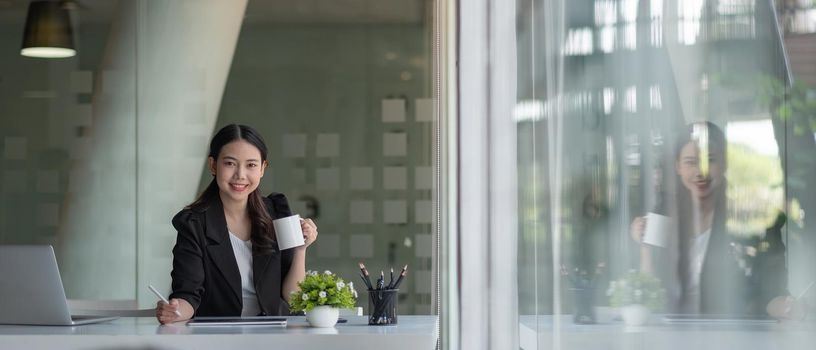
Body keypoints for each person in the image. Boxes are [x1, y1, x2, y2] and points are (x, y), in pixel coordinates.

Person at [630, 121, 802, 318]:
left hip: (727, 331)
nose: (700, 172)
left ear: (725, 163)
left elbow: (767, 292)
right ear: (678, 166)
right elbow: (649, 290)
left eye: (710, 160)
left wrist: (787, 308)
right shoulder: (664, 211)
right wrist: (644, 243)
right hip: (671, 331)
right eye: (690, 162)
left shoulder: (749, 218)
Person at [155, 124, 318, 324]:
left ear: (263, 168)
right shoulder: (193, 223)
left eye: (251, 165)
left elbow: (294, 299)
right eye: (230, 163)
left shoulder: (277, 212)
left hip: (276, 333)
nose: (240, 175)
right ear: (213, 165)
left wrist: (300, 249)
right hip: (220, 336)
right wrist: (175, 311)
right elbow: (188, 295)